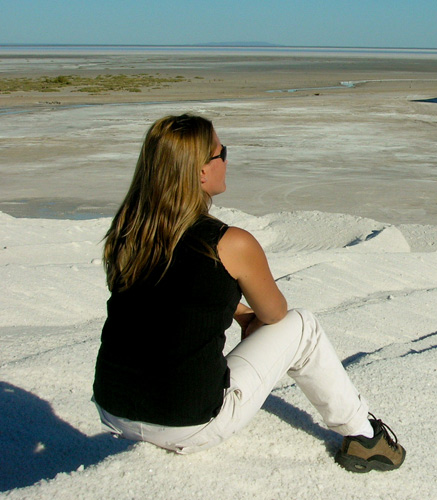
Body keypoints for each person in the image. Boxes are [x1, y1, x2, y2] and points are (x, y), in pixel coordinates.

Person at [92, 114, 405, 473]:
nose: (226, 160)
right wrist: (251, 318)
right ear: (201, 171)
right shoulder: (229, 242)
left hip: (112, 409)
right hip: (188, 424)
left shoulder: (129, 231)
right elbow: (274, 314)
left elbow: (165, 298)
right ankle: (364, 436)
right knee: (303, 326)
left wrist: (238, 311)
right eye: (221, 152)